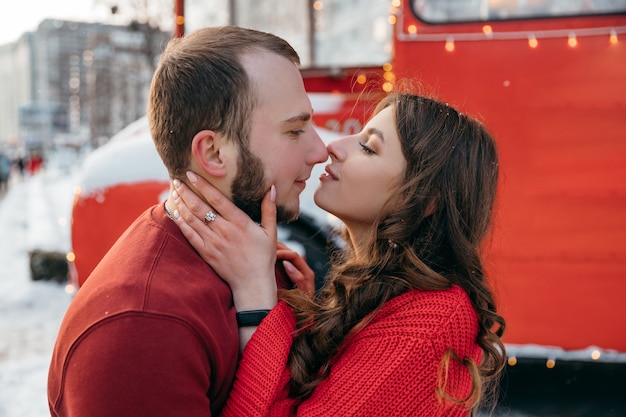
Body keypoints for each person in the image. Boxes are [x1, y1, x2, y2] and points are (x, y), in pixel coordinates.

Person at [47, 26, 327, 417]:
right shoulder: (143, 331)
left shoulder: (256, 259)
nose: (319, 150)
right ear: (212, 153)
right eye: (295, 130)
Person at [171, 92, 507, 416]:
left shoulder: (433, 320)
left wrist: (255, 293)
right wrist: (301, 319)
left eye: (368, 148)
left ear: (425, 199)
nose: (332, 146)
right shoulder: (384, 294)